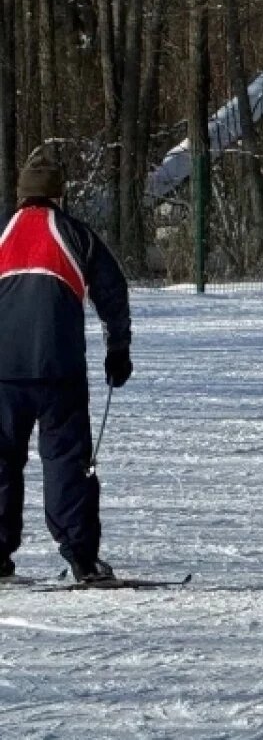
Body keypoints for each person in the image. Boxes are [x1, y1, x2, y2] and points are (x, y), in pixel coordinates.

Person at [0, 148, 132, 582]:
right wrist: (118, 349)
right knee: (66, 461)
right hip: (60, 369)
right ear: (59, 195)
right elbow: (112, 291)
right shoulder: (76, 234)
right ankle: (80, 557)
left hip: (3, 372)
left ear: (21, 195)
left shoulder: (3, 232)